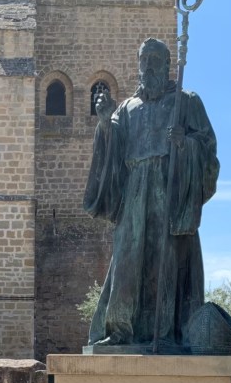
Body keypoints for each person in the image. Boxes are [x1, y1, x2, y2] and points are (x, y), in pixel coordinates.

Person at [83, 38, 219, 350]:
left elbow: (208, 148)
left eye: (155, 60)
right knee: (126, 261)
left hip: (170, 189)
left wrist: (185, 145)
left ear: (168, 64)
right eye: (144, 60)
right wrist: (105, 123)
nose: (149, 66)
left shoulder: (186, 101)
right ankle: (120, 330)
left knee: (165, 261)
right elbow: (112, 151)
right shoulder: (127, 109)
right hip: (134, 189)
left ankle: (166, 333)